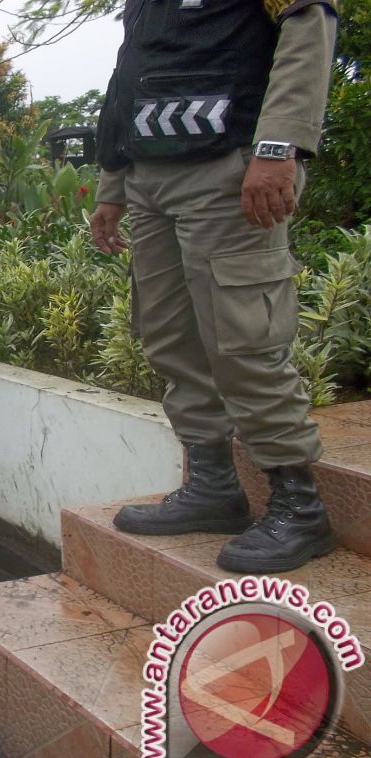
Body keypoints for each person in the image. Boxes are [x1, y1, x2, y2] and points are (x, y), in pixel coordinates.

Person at [88, 0, 338, 574]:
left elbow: (309, 20)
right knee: (168, 336)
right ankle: (213, 487)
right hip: (149, 175)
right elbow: (131, 69)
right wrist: (112, 181)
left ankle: (299, 508)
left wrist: (279, 145)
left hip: (228, 168)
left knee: (241, 338)